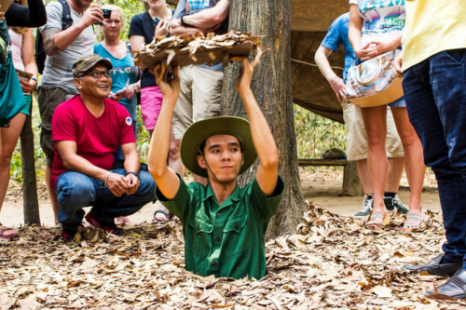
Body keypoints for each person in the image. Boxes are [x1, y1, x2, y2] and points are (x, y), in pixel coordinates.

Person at [148, 53, 284, 279]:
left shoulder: (253, 202)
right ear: (201, 161)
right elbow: (157, 169)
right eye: (216, 150)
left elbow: (270, 161)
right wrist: (170, 98)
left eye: (233, 149)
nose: (226, 156)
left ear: (241, 158)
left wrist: (245, 91)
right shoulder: (191, 200)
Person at [394, 0, 466, 299]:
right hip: (417, 55)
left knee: (463, 155)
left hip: (456, 41)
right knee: (442, 161)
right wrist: (404, 47)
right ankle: (456, 252)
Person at [52, 55, 156, 241]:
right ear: (79, 82)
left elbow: (130, 151)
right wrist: (106, 176)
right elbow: (68, 158)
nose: (104, 79)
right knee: (76, 188)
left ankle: (101, 216)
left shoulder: (119, 110)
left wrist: (131, 174)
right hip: (76, 176)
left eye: (107, 74)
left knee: (148, 182)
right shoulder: (65, 110)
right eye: (96, 74)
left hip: (109, 174)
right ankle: (70, 223)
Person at [314, 12, 407, 219]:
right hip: (357, 89)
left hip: (390, 86)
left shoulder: (393, 13)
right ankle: (371, 198)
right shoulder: (343, 21)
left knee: (398, 142)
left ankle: (390, 196)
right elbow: (320, 54)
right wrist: (333, 79)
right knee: (361, 145)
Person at [348, 0, 426, 230]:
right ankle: (379, 206)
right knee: (374, 136)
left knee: (409, 135)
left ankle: (415, 206)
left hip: (404, 59)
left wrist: (393, 42)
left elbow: (421, 17)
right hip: (370, 66)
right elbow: (354, 24)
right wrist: (356, 46)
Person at [39, 0, 102, 225]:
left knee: (81, 149)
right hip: (57, 89)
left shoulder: (88, 14)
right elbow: (50, 46)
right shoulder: (56, 9)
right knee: (54, 152)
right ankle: (60, 217)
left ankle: (75, 212)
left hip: (83, 92)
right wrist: (83, 23)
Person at [169, 0, 230, 186]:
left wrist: (185, 20)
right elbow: (172, 29)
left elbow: (215, 16)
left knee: (209, 138)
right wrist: (195, 28)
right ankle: (202, 201)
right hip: (184, 66)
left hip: (210, 67)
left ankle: (215, 200)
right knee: (191, 140)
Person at [0, 0, 46, 239]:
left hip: (18, 87)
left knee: (4, 156)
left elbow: (37, 19)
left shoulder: (14, 14)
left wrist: (32, 79)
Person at [128, 0, 177, 223]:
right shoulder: (139, 21)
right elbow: (141, 63)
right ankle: (162, 204)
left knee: (176, 149)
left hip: (179, 85)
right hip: (151, 88)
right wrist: (157, 40)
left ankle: (174, 204)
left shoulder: (179, 16)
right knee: (160, 149)